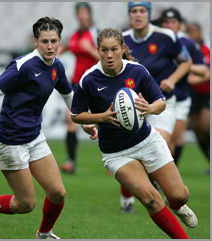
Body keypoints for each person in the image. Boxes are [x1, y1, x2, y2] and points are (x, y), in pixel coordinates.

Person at [0, 17, 96, 239]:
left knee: (58, 193)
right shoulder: (23, 65)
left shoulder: (57, 66)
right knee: (25, 204)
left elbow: (68, 94)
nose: (50, 46)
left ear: (60, 41)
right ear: (36, 41)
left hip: (34, 137)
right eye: (44, 41)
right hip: (9, 141)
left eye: (54, 41)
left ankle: (44, 234)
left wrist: (85, 123)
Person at [71, 27, 198, 239]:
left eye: (113, 49)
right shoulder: (89, 79)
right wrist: (100, 118)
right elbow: (76, 115)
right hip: (116, 152)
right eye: (104, 50)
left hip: (147, 141)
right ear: (98, 50)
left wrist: (149, 108)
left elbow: (161, 102)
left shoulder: (137, 70)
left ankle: (176, 205)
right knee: (151, 199)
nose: (109, 55)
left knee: (179, 195)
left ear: (122, 48)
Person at [118, 2, 192, 213]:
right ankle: (127, 198)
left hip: (162, 103)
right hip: (133, 105)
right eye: (134, 11)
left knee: (162, 145)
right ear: (130, 14)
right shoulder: (123, 40)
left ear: (148, 14)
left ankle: (159, 190)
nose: (138, 15)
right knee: (129, 153)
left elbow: (185, 62)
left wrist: (172, 79)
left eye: (142, 11)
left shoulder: (166, 36)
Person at [156, 8, 209, 166]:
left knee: (172, 140)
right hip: (157, 97)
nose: (170, 25)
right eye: (166, 22)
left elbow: (204, 71)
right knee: (159, 141)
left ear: (179, 24)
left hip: (180, 97)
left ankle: (168, 174)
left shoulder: (187, 43)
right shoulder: (155, 41)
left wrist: (186, 66)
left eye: (173, 22)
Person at [58, 2, 100, 174]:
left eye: (85, 13)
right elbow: (64, 46)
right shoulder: (73, 34)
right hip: (78, 83)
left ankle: (117, 159)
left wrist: (90, 49)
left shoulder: (96, 33)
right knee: (71, 118)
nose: (82, 16)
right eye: (79, 13)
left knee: (106, 120)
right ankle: (71, 162)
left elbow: (106, 57)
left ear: (89, 14)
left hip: (97, 83)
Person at [187, 22, 210, 173]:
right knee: (197, 130)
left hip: (206, 94)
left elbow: (207, 73)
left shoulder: (205, 50)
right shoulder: (186, 50)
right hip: (192, 95)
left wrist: (193, 79)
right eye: (190, 31)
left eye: (195, 31)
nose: (193, 34)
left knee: (206, 125)